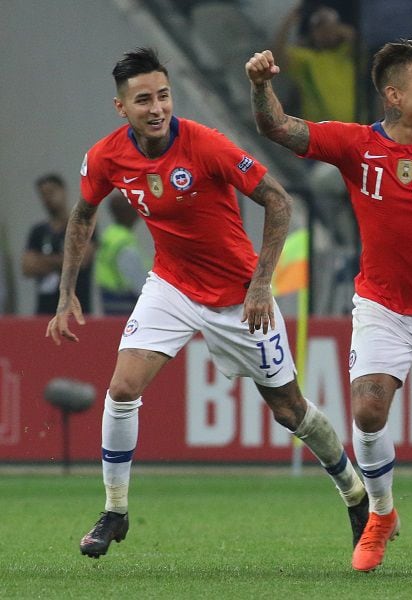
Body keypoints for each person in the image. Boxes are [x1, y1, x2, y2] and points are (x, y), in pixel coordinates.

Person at [46, 47, 368, 561]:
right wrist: (66, 294)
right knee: (122, 387)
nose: (157, 108)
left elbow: (279, 201)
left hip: (238, 296)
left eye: (164, 96)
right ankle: (115, 510)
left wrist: (262, 286)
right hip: (171, 284)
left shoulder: (207, 145)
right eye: (144, 99)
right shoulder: (106, 156)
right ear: (121, 107)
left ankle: (354, 493)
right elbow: (83, 216)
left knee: (290, 410)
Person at [245, 37, 412, 576]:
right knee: (367, 409)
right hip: (382, 305)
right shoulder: (356, 144)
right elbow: (279, 128)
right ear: (394, 94)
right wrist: (262, 86)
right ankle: (380, 513)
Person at [23, 174, 96, 315]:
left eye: (51, 192)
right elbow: (27, 267)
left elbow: (81, 260)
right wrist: (64, 259)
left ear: (63, 191)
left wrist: (43, 261)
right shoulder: (38, 232)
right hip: (45, 310)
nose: (47, 198)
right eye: (43, 194)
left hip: (77, 308)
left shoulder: (81, 225)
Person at [95, 190, 149, 315]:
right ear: (125, 212)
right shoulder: (123, 242)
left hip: (109, 299)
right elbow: (137, 281)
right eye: (134, 207)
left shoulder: (110, 234)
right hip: (124, 303)